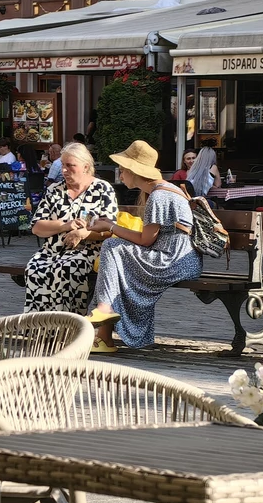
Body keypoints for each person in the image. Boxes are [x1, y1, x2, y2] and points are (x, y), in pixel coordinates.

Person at [84, 140, 202, 354]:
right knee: (115, 262)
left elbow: (146, 240)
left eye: (122, 170)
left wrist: (111, 227)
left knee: (112, 247)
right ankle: (104, 336)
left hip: (172, 260)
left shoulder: (159, 195)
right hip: (178, 258)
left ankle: (104, 315)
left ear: (133, 171)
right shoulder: (163, 190)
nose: (120, 176)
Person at [23, 142, 118, 315]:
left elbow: (110, 229)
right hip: (51, 251)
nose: (64, 170)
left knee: (67, 269)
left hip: (87, 251)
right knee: (35, 268)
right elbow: (37, 227)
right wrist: (65, 225)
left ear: (86, 166)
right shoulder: (54, 190)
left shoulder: (102, 189)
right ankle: (40, 326)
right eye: (62, 165)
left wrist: (83, 234)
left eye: (70, 166)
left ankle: (68, 326)